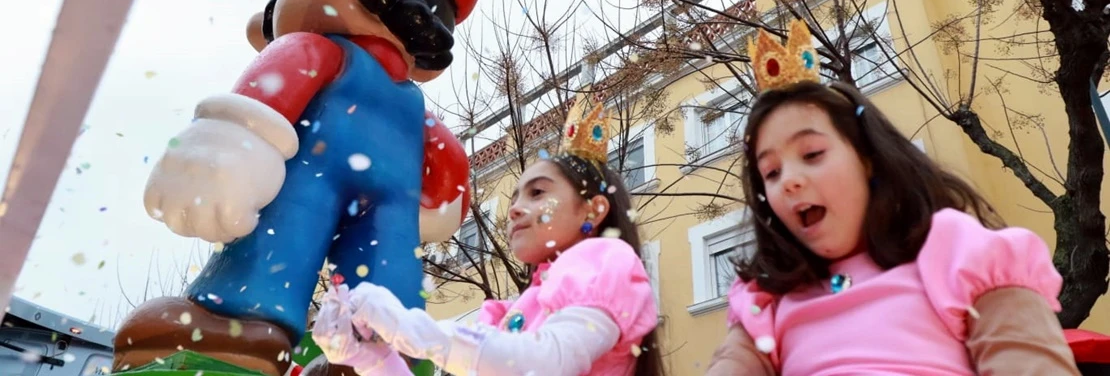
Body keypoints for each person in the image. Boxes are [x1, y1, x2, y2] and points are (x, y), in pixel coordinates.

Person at [706, 20, 1080, 375]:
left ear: (867, 160)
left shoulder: (956, 253)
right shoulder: (768, 302)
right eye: (771, 172)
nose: (788, 181)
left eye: (812, 154)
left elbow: (1027, 361)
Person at [312, 96, 666, 376]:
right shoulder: (518, 310)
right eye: (515, 198)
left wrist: (409, 327)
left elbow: (545, 364)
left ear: (592, 209)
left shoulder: (606, 261)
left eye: (538, 193)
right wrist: (370, 359)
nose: (514, 210)